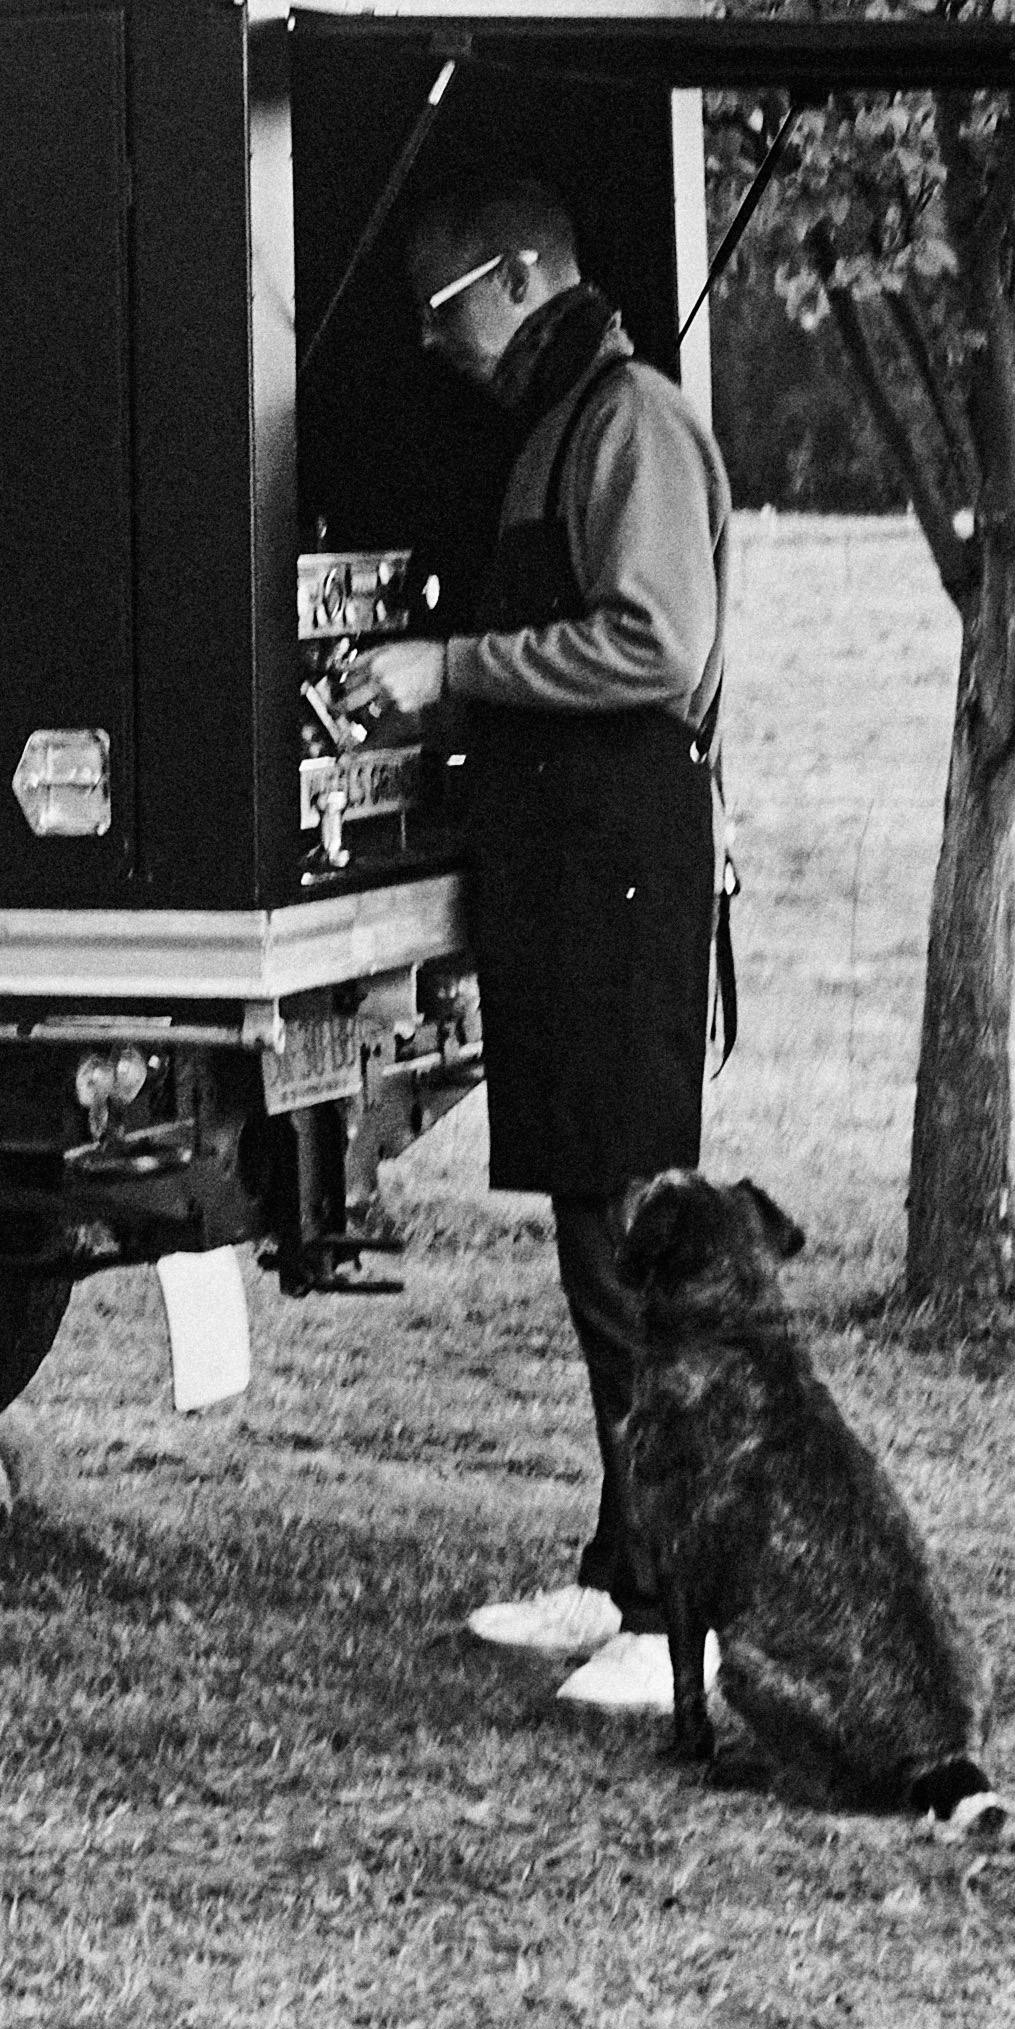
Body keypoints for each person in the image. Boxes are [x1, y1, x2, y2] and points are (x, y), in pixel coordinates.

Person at [325, 175, 729, 1721]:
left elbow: (654, 642)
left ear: (515, 280)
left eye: (443, 317)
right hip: (566, 877)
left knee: (627, 1240)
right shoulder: (557, 428)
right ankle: (616, 1563)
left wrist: (448, 669)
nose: (437, 350)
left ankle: (668, 1609)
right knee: (585, 1224)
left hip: (620, 868)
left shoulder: (625, 420)